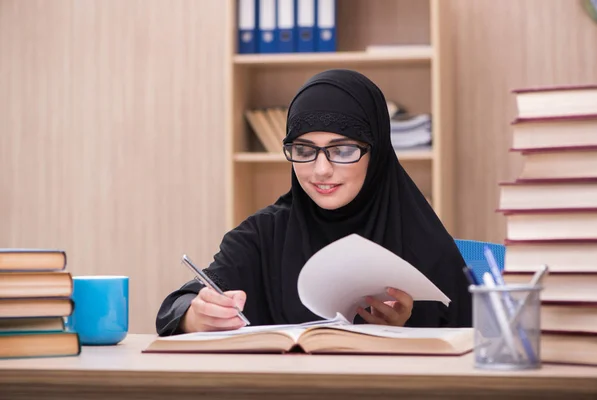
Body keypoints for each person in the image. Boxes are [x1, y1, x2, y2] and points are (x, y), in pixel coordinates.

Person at [156, 69, 471, 336]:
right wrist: (196, 316)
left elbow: (470, 347)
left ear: (376, 154)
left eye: (343, 150)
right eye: (305, 150)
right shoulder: (263, 234)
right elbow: (176, 306)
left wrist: (405, 331)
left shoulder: (422, 242)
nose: (321, 169)